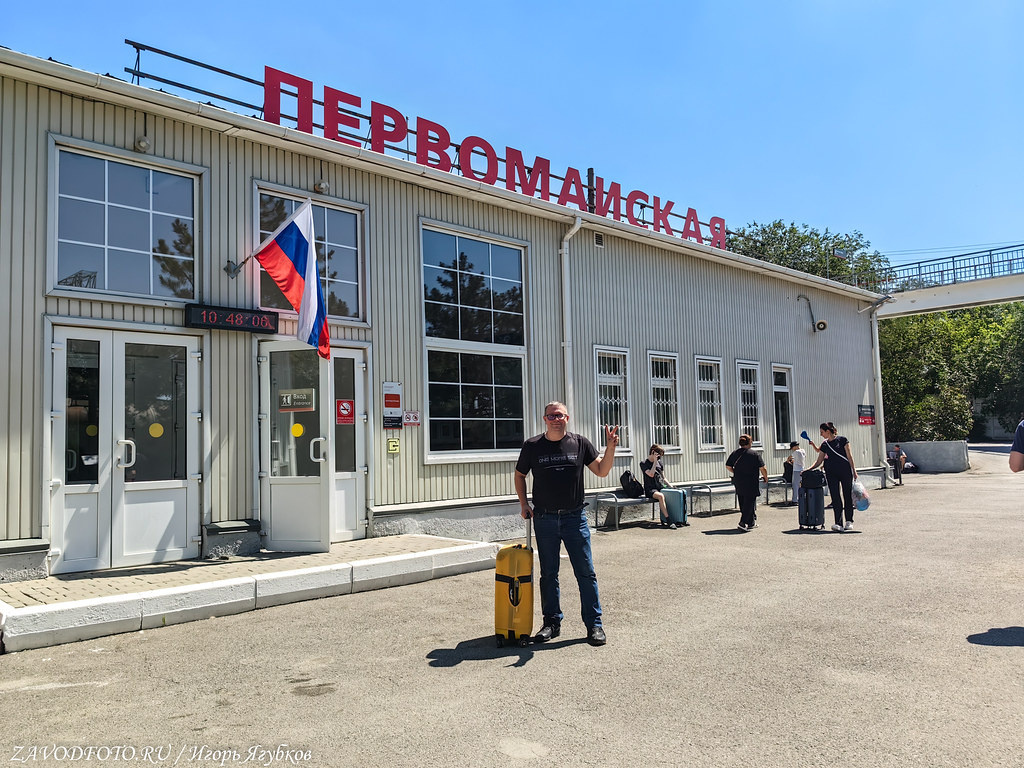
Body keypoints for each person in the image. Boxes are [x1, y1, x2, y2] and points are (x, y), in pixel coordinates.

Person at [514, 401, 619, 647]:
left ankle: (594, 625)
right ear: (544, 419)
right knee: (549, 574)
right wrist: (524, 504)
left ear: (567, 418)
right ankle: (551, 623)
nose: (555, 419)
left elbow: (602, 470)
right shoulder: (532, 446)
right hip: (544, 518)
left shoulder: (580, 443)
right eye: (551, 416)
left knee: (585, 572)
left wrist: (610, 448)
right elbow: (520, 475)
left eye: (559, 415)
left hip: (574, 518)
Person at [807, 422, 858, 532]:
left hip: (845, 471)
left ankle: (849, 521)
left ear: (828, 431)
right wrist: (808, 469)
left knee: (847, 495)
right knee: (835, 497)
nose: (821, 434)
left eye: (822, 432)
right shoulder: (825, 445)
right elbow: (819, 460)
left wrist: (854, 470)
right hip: (831, 473)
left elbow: (849, 456)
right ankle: (838, 523)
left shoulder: (842, 440)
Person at [726, 434, 768, 531]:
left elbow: (728, 466)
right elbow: (763, 468)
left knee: (742, 500)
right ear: (750, 442)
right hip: (751, 481)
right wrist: (766, 477)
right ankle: (743, 522)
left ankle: (751, 522)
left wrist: (736, 472)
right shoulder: (754, 454)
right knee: (749, 502)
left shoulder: (735, 453)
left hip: (738, 480)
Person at [640, 444, 676, 529]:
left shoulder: (660, 463)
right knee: (661, 496)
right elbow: (651, 474)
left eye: (660, 456)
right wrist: (655, 462)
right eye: (658, 455)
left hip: (660, 486)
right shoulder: (644, 463)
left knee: (673, 494)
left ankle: (679, 519)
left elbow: (663, 477)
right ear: (653, 452)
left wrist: (670, 486)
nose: (659, 458)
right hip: (650, 489)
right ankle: (668, 520)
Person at [785, 440, 806, 506]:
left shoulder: (796, 452)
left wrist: (788, 461)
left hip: (796, 470)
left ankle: (795, 500)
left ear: (795, 447)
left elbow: (789, 457)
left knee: (795, 485)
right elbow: (799, 460)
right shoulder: (803, 451)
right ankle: (801, 498)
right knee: (801, 485)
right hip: (802, 469)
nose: (792, 449)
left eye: (792, 448)